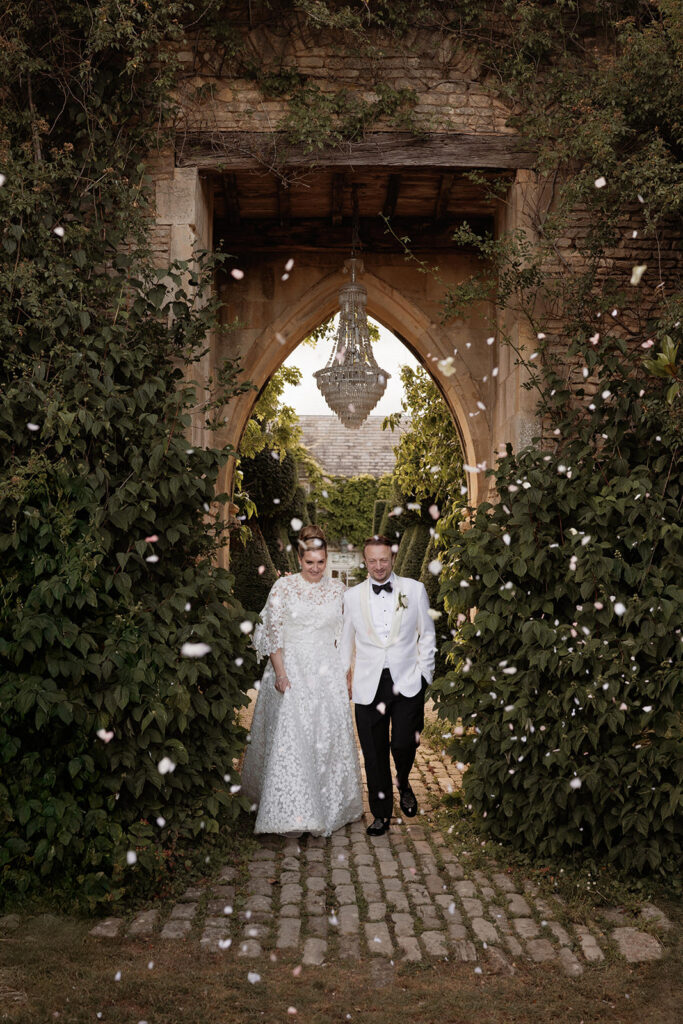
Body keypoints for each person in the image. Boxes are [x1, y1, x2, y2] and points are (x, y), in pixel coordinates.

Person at [241, 524, 364, 836]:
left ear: (327, 559)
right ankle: (291, 809)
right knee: (293, 738)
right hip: (291, 670)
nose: (316, 568)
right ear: (299, 559)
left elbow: (345, 636)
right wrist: (281, 674)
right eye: (310, 563)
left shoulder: (338, 591)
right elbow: (271, 633)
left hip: (327, 674)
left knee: (325, 737)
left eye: (321, 562)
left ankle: (328, 804)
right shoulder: (283, 588)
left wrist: (348, 672)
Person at [341, 535, 436, 837]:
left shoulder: (414, 589)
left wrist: (424, 675)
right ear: (365, 561)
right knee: (373, 752)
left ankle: (404, 780)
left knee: (404, 743)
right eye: (372, 561)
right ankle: (381, 813)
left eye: (383, 560)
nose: (378, 566)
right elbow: (345, 643)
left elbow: (428, 635)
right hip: (368, 684)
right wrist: (342, 677)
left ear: (392, 558)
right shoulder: (352, 597)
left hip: (407, 681)